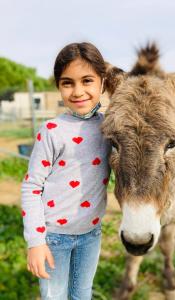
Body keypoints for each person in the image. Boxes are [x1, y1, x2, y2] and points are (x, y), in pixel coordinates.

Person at [21, 42, 111, 300]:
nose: (78, 91)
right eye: (67, 83)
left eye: (87, 81)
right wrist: (36, 242)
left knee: (82, 295)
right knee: (55, 297)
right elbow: (31, 186)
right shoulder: (52, 131)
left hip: (91, 234)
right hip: (54, 239)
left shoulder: (109, 128)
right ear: (59, 87)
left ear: (102, 83)